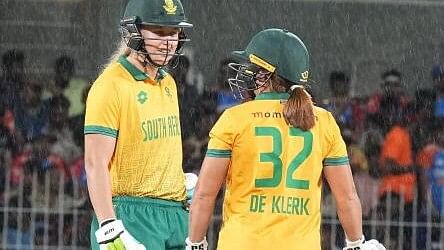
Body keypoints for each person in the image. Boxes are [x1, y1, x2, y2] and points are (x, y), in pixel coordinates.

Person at [186, 28, 385, 250]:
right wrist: (356, 244)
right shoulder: (323, 121)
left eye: (252, 69)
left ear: (265, 74)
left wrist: (195, 244)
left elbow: (204, 195)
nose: (246, 75)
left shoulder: (235, 118)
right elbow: (347, 198)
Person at [84, 0, 193, 249]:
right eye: (159, 31)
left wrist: (177, 182)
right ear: (133, 32)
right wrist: (109, 225)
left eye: (174, 32)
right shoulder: (110, 85)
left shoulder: (168, 83)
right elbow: (94, 163)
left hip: (176, 215)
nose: (168, 41)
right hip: (132, 216)